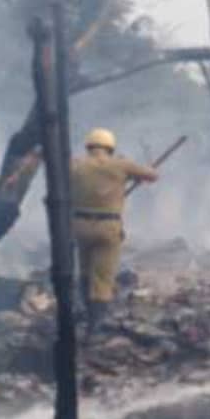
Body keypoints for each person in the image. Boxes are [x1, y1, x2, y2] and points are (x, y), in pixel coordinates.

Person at [70, 128, 159, 335]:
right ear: (110, 147)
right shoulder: (121, 164)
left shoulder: (75, 165)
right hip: (107, 227)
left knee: (84, 269)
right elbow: (153, 175)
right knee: (102, 276)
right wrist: (135, 174)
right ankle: (95, 324)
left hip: (79, 226)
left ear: (89, 146)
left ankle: (84, 308)